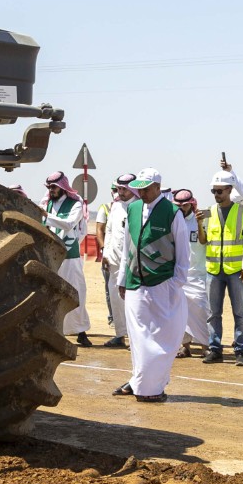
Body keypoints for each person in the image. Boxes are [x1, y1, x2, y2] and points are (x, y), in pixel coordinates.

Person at [105, 169, 192, 403]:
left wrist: (176, 283)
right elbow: (127, 250)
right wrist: (123, 279)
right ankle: (141, 383)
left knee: (163, 338)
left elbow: (183, 253)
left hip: (163, 284)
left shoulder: (172, 213)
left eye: (145, 188)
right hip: (135, 284)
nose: (141, 192)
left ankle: (149, 385)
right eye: (139, 188)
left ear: (157, 187)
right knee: (139, 338)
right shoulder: (132, 209)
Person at [200, 163, 243, 365]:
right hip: (213, 270)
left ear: (230, 190)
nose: (216, 194)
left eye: (220, 191)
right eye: (213, 191)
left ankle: (240, 350)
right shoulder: (208, 212)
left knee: (239, 313)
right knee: (213, 313)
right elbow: (204, 240)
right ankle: (215, 349)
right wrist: (198, 223)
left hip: (236, 271)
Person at [42, 171, 94, 347]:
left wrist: (46, 216)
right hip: (50, 254)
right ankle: (55, 329)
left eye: (54, 187)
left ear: (63, 187)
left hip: (70, 256)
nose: (51, 190)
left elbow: (69, 224)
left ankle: (81, 331)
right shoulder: (47, 203)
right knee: (53, 292)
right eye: (49, 187)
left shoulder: (75, 204)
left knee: (75, 291)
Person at [95, 173, 137, 348]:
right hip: (113, 260)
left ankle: (135, 338)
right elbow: (110, 231)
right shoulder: (116, 206)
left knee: (132, 301)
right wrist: (105, 252)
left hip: (133, 263)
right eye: (118, 189)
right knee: (115, 298)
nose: (120, 192)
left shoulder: (140, 206)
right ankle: (120, 335)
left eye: (124, 189)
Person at [171, 188, 209, 354]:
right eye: (178, 205)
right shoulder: (173, 220)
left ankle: (205, 346)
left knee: (201, 309)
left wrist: (200, 223)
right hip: (178, 273)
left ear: (191, 204)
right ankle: (184, 346)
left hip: (198, 273)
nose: (181, 208)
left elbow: (204, 240)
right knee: (180, 312)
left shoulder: (201, 219)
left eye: (185, 205)